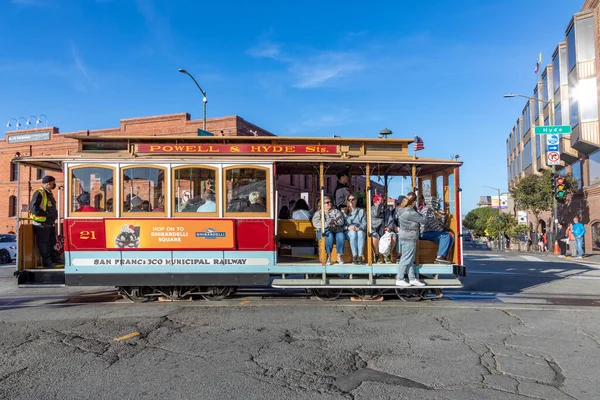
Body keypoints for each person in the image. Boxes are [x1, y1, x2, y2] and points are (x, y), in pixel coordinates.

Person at [29, 175, 63, 268]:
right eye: (53, 183)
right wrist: (47, 214)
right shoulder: (39, 193)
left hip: (49, 223)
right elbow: (33, 208)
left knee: (52, 242)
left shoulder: (48, 193)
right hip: (41, 224)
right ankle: (47, 262)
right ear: (48, 183)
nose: (54, 185)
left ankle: (55, 259)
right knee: (44, 243)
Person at [395, 192, 426, 287]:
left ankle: (412, 278)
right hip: (409, 237)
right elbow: (423, 220)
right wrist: (419, 212)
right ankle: (399, 279)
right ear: (414, 202)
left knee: (409, 259)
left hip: (405, 236)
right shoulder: (410, 212)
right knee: (406, 259)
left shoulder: (402, 210)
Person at [419, 195, 453, 264]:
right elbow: (432, 224)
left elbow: (440, 223)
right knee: (445, 236)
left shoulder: (432, 211)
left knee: (451, 237)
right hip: (425, 233)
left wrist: (442, 215)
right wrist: (443, 231)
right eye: (437, 203)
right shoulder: (427, 210)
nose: (438, 205)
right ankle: (439, 257)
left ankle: (444, 256)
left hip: (431, 232)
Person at [312, 196, 345, 265]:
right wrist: (328, 223)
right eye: (327, 202)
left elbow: (341, 221)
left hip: (335, 229)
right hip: (325, 230)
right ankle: (328, 256)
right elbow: (316, 223)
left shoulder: (336, 211)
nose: (329, 203)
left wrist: (333, 222)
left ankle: (339, 256)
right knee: (329, 236)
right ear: (322, 204)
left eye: (330, 202)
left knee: (341, 236)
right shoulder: (318, 213)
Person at [371, 194, 396, 263]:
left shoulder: (386, 210)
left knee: (393, 235)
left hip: (385, 229)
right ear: (375, 202)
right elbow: (376, 213)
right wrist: (379, 205)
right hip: (376, 229)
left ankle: (387, 255)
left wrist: (389, 227)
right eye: (380, 201)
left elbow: (390, 219)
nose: (382, 202)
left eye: (383, 200)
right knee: (374, 236)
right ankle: (377, 255)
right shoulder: (372, 209)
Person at [343, 194, 366, 264]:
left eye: (353, 199)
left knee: (360, 233)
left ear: (356, 200)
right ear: (347, 201)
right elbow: (341, 225)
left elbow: (364, 223)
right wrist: (348, 227)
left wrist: (359, 228)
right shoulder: (343, 212)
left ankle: (360, 256)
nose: (351, 201)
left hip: (359, 229)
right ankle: (354, 256)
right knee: (353, 233)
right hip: (348, 231)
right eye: (349, 200)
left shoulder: (361, 211)